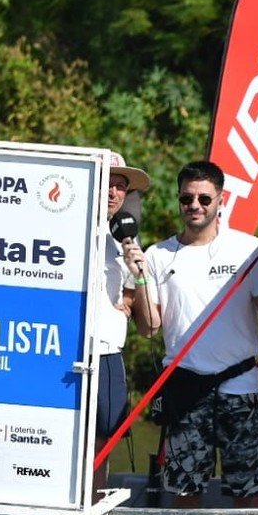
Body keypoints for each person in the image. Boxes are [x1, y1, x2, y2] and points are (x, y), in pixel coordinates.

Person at [129, 161, 258, 508]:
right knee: (184, 489)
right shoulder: (156, 255)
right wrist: (140, 278)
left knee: (249, 489)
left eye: (204, 199)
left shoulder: (247, 249)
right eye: (187, 198)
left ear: (220, 200)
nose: (195, 205)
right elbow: (150, 326)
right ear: (178, 200)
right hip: (185, 387)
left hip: (239, 387)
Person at [93, 151, 149, 488]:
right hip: (69, 349)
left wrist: (131, 292)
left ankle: (95, 507)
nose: (113, 192)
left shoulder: (127, 236)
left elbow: (129, 294)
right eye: (106, 183)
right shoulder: (68, 228)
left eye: (120, 186)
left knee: (105, 438)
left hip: (109, 352)